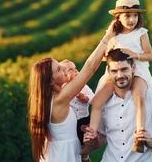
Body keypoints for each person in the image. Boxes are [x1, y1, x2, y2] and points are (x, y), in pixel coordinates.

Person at [27, 24, 114, 162]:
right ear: (51, 81)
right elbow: (89, 68)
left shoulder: (43, 101)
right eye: (59, 70)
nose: (64, 69)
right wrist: (108, 37)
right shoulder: (59, 99)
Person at [85, 0, 152, 153]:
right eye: (127, 16)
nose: (132, 19)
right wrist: (112, 55)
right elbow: (105, 55)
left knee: (139, 96)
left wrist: (135, 54)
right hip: (117, 72)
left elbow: (149, 55)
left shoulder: (141, 33)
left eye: (135, 15)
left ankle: (139, 134)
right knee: (97, 101)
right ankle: (92, 134)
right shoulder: (113, 35)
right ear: (118, 17)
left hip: (137, 71)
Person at [83, 48, 152, 162]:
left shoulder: (151, 96)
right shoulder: (103, 101)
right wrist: (90, 142)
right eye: (114, 71)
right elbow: (104, 138)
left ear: (133, 69)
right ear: (109, 72)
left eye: (124, 69)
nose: (120, 75)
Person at [59, 59, 95, 162]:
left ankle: (85, 156)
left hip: (84, 119)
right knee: (74, 141)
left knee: (86, 139)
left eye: (75, 68)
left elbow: (94, 98)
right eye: (70, 69)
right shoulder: (61, 88)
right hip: (71, 121)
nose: (75, 71)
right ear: (62, 74)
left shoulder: (83, 86)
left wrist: (86, 98)